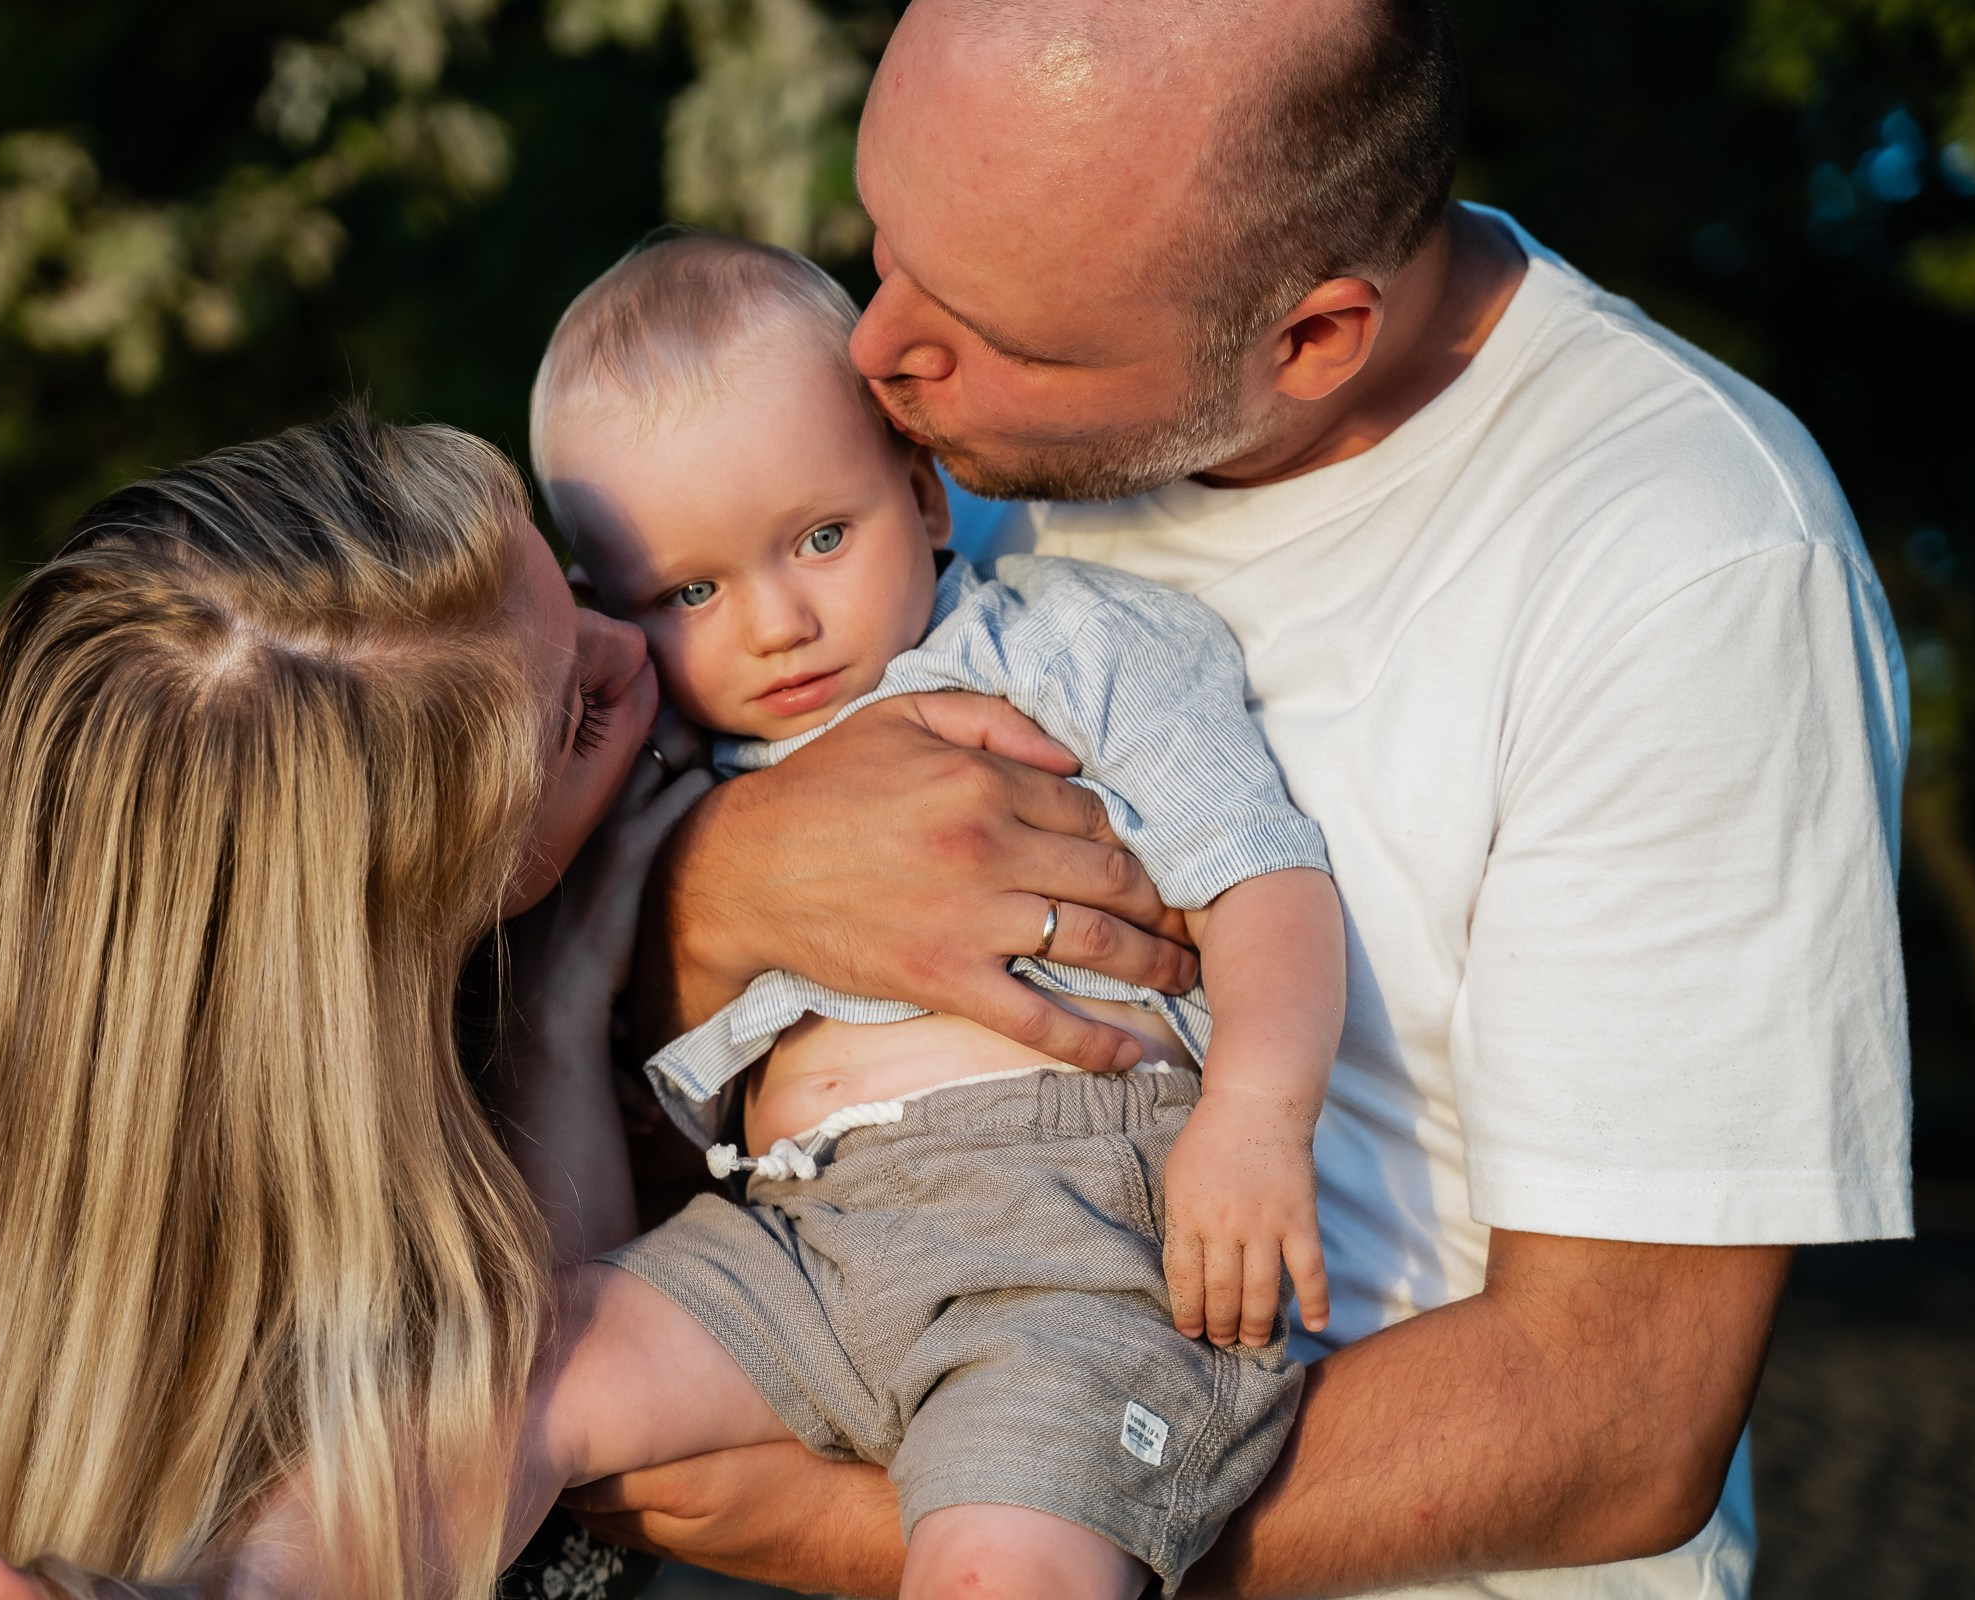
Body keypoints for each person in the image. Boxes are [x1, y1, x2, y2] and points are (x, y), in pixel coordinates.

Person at [564, 3, 1912, 1598]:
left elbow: (1617, 1419)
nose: (876, 351)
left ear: (1311, 337)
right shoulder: (903, 458)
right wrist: (728, 891)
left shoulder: (1684, 560)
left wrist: (860, 1528)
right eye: (884, 237)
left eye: (997, 321)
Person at [0, 406, 702, 1600]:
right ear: (371, 943)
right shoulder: (371, 1368)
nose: (630, 656)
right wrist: (557, 1000)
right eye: (571, 721)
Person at [490, 230, 1345, 1599]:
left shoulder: (1053, 643)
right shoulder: (662, 778)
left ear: (928, 499)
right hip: (792, 1243)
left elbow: (1264, 876)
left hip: (1068, 1227)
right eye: (691, 591)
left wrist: (1256, 1112)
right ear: (610, 613)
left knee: (1006, 1558)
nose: (777, 622)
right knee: (506, 1382)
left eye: (823, 537)